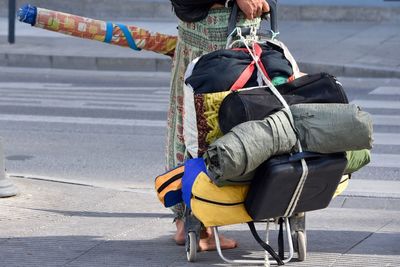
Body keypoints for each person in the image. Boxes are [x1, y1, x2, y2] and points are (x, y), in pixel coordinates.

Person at [166, 0, 270, 251]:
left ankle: (187, 220)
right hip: (221, 24)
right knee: (215, 120)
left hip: (205, 23)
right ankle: (199, 224)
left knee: (188, 116)